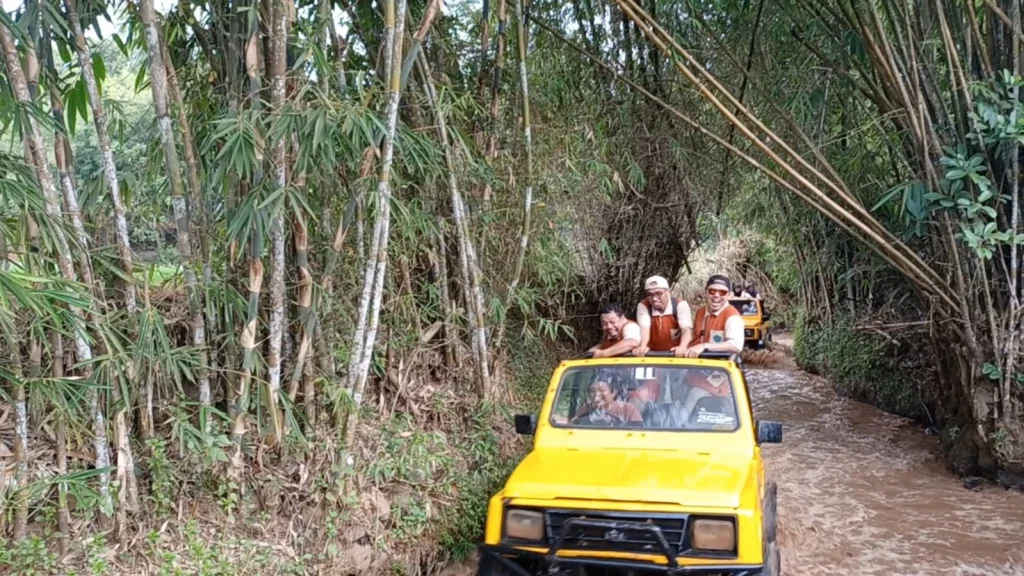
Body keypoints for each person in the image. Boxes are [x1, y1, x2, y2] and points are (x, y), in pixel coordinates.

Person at [685, 275, 744, 357]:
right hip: (698, 364)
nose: (716, 295)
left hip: (720, 366)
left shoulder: (732, 316)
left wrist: (705, 346)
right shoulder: (700, 312)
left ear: (729, 295)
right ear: (705, 292)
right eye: (712, 291)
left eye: (722, 292)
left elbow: (736, 345)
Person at [634, 275, 693, 357]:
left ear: (668, 292)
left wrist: (682, 346)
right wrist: (642, 346)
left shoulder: (679, 304)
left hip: (675, 354)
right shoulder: (644, 306)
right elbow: (644, 328)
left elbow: (686, 329)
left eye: (658, 293)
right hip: (652, 354)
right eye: (650, 294)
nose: (654, 298)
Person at [572, 380, 643, 425]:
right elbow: (570, 429)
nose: (596, 395)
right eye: (592, 391)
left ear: (613, 393)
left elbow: (639, 432)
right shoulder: (585, 409)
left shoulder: (627, 409)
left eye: (601, 390)